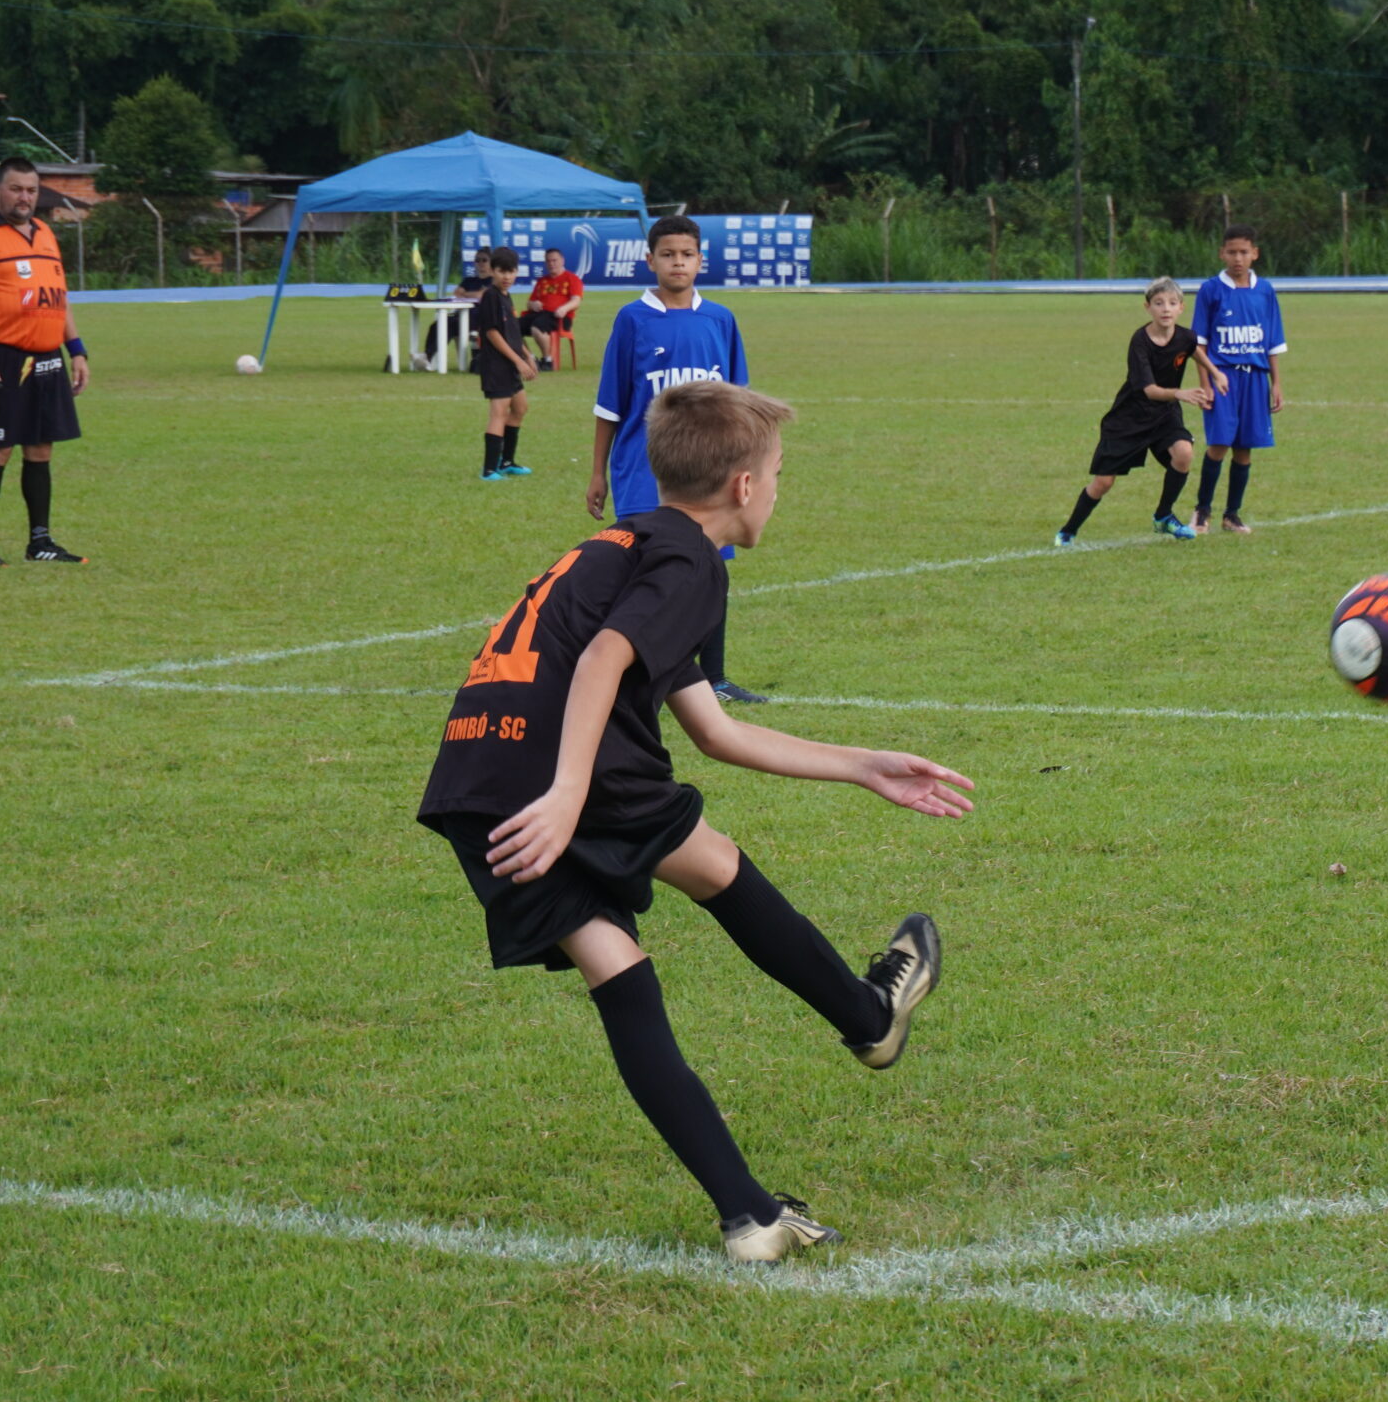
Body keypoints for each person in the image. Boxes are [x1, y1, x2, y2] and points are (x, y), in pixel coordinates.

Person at [416, 380, 972, 1262]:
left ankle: (750, 1214)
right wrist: (566, 795)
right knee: (714, 867)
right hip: (564, 770)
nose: (781, 490)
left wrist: (863, 766)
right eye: (780, 473)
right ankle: (868, 1019)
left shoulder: (624, 545)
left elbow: (713, 729)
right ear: (745, 486)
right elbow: (603, 657)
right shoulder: (688, 561)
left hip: (478, 774)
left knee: (622, 975)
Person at [590, 215, 765, 704]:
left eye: (686, 254)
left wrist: (744, 466)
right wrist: (597, 472)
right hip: (642, 469)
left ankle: (715, 678)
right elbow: (610, 403)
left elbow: (739, 402)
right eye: (667, 254)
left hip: (709, 470)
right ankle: (635, 674)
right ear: (650, 261)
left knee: (709, 566)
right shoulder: (632, 319)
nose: (678, 262)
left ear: (700, 260)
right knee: (645, 566)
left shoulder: (720, 320)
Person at [0, 156, 89, 565]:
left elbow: (58, 298)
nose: (24, 197)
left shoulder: (46, 232)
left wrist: (77, 350)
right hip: (4, 358)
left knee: (41, 448)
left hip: (48, 358)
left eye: (31, 190)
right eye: (16, 189)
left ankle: (40, 542)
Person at [1057, 277, 1218, 545]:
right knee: (1104, 483)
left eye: (1172, 303)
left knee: (1184, 452)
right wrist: (1180, 393)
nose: (1165, 308)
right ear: (1147, 307)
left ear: (1181, 307)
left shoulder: (1186, 336)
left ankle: (1164, 516)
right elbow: (1149, 390)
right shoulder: (1140, 341)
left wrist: (1215, 374)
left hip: (1165, 416)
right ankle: (1068, 530)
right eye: (1158, 303)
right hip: (1129, 417)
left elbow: (1194, 350)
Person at [1189, 227, 1281, 535]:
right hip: (1222, 378)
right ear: (1222, 254)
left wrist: (1276, 383)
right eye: (1232, 252)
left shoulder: (1265, 290)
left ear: (1255, 253)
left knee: (1245, 448)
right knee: (1218, 444)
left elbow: (1272, 342)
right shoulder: (1211, 290)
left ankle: (1232, 514)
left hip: (1255, 380)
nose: (1238, 258)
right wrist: (1205, 385)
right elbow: (1198, 343)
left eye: (1244, 252)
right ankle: (1202, 511)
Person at [469, 245, 539, 480]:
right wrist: (517, 362)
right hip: (496, 365)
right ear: (492, 271)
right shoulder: (490, 296)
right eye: (501, 271)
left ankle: (507, 461)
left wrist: (528, 356)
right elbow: (492, 333)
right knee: (499, 413)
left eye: (511, 271)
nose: (507, 276)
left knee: (520, 408)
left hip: (510, 364)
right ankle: (489, 469)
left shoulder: (507, 297)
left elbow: (512, 333)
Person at [521, 247, 585, 370]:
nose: (551, 264)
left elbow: (576, 300)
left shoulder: (572, 279)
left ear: (562, 261)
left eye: (554, 260)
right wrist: (533, 304)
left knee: (537, 326)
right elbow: (529, 302)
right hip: (539, 313)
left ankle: (547, 360)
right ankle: (530, 358)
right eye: (548, 261)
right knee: (511, 327)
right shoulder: (542, 281)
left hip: (559, 317)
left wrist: (564, 308)